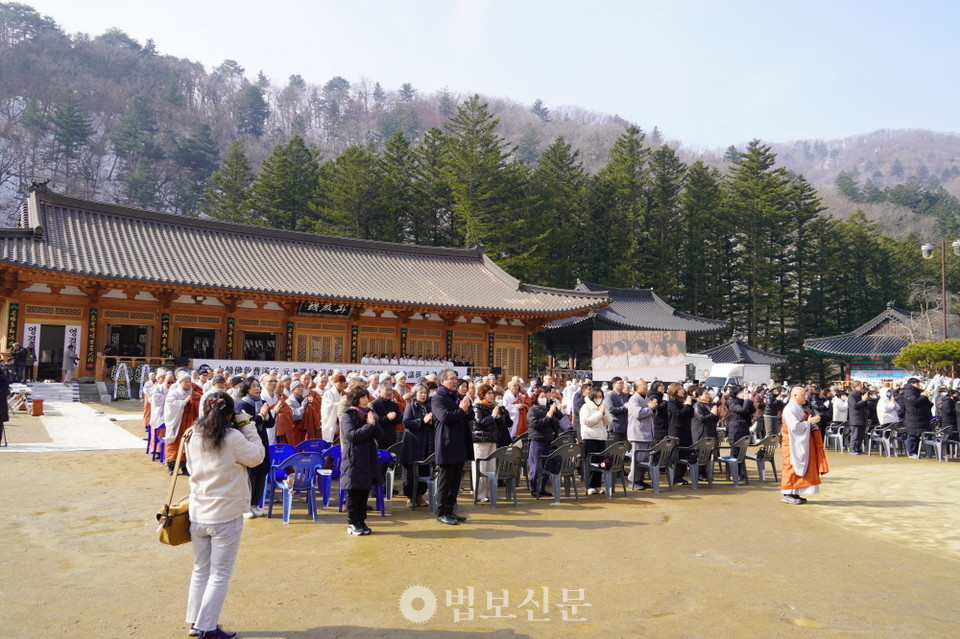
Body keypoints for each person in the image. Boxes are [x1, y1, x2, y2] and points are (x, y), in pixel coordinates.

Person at [184, 392, 264, 639]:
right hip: (225, 514)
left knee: (201, 570)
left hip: (198, 511)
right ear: (230, 414)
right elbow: (257, 457)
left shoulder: (191, 434)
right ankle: (207, 628)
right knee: (219, 575)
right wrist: (247, 425)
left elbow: (189, 467)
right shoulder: (233, 437)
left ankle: (196, 621)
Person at [431, 368, 473, 525]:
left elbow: (470, 415)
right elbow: (444, 417)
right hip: (446, 443)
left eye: (456, 378)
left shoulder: (458, 397)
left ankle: (450, 510)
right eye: (452, 378)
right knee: (445, 481)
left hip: (460, 443)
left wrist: (467, 407)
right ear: (442, 381)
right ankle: (441, 512)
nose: (455, 381)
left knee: (456, 481)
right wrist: (461, 410)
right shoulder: (438, 398)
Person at [340, 385, 383, 535]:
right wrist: (369, 426)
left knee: (364, 491)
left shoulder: (369, 414)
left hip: (368, 458)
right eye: (363, 397)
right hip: (354, 459)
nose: (366, 400)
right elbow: (352, 435)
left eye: (367, 397)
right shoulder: (348, 415)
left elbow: (380, 435)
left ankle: (361, 521)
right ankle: (352, 522)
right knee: (354, 492)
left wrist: (374, 420)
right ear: (355, 400)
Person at [780, 386, 829, 505]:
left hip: (799, 441)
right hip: (791, 443)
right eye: (803, 396)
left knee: (799, 468)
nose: (805, 398)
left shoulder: (797, 407)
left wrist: (810, 423)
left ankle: (794, 492)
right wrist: (809, 423)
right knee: (791, 467)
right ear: (794, 395)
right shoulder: (789, 409)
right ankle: (787, 494)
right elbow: (794, 427)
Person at [235, 378, 274, 518]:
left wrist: (266, 416)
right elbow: (246, 424)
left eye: (258, 386)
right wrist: (261, 415)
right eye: (253, 386)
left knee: (262, 473)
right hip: (249, 441)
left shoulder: (263, 403)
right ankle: (245, 506)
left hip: (263, 440)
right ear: (247, 389)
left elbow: (270, 424)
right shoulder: (242, 405)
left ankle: (255, 505)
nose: (257, 388)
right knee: (251, 473)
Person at [472, 384, 509, 503]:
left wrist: (499, 415)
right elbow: (479, 422)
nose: (491, 395)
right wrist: (492, 415)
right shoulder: (478, 407)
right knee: (481, 467)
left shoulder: (494, 407)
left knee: (491, 467)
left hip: (493, 440)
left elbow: (503, 424)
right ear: (483, 395)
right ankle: (479, 493)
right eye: (488, 393)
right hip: (481, 441)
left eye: (492, 393)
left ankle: (489, 492)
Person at [400, 384, 434, 508]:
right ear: (415, 394)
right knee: (410, 473)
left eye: (425, 392)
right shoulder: (410, 406)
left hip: (426, 444)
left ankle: (420, 496)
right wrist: (422, 421)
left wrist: (432, 422)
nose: (423, 395)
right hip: (412, 444)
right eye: (421, 392)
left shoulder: (429, 406)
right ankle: (410, 497)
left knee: (425, 470)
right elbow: (406, 422)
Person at [527, 388, 561, 497]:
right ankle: (534, 488)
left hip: (548, 439)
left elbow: (557, 420)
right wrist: (548, 416)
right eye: (541, 397)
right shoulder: (533, 410)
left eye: (545, 397)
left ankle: (542, 487)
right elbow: (535, 424)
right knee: (535, 465)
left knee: (545, 465)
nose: (544, 399)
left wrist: (553, 410)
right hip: (537, 439)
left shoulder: (547, 409)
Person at [626, 380, 656, 490]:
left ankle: (640, 479)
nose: (646, 386)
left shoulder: (646, 399)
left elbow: (652, 413)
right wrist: (650, 408)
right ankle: (633, 481)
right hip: (637, 434)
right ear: (637, 387)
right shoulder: (633, 399)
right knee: (637, 459)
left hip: (648, 433)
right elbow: (637, 414)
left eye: (646, 384)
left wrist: (654, 409)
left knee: (646, 459)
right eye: (643, 385)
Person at [580, 387, 612, 494]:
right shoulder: (586, 407)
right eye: (597, 396)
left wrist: (603, 413)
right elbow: (587, 421)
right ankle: (589, 485)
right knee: (590, 462)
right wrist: (599, 414)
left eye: (600, 396)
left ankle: (597, 485)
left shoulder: (603, 406)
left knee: (600, 462)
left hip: (601, 438)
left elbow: (609, 421)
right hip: (590, 437)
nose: (599, 398)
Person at [666, 382, 694, 484]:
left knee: (684, 453)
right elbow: (679, 415)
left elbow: (690, 414)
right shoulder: (671, 403)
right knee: (676, 454)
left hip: (686, 430)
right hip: (677, 431)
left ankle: (680, 476)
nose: (682, 390)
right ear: (674, 391)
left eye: (682, 388)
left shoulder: (683, 401)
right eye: (680, 389)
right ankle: (674, 476)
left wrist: (689, 405)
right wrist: (687, 405)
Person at [902, 377, 933, 458]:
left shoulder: (916, 392)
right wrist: (923, 396)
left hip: (919, 418)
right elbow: (915, 402)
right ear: (911, 384)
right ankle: (911, 452)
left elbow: (926, 403)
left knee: (917, 436)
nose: (918, 385)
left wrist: (925, 397)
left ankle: (916, 452)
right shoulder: (908, 392)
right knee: (912, 436)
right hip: (913, 418)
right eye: (917, 384)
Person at [603, 377, 629, 443]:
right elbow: (611, 409)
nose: (622, 385)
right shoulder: (610, 395)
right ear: (614, 384)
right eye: (619, 383)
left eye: (622, 383)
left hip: (625, 426)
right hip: (615, 426)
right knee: (614, 447)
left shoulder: (625, 395)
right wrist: (624, 408)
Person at [847, 382, 869, 455]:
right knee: (855, 435)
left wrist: (865, 400)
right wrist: (863, 400)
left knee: (861, 435)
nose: (861, 387)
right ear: (855, 387)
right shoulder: (852, 395)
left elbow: (865, 405)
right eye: (860, 386)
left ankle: (858, 449)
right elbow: (854, 405)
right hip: (856, 418)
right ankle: (852, 449)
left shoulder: (860, 394)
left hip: (862, 417)